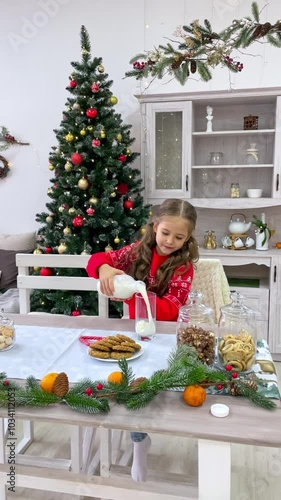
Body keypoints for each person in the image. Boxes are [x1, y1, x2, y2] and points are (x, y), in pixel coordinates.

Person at [86, 198, 199, 482]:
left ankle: (138, 445)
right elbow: (96, 259)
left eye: (179, 236)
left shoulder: (184, 267)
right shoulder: (138, 252)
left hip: (162, 337)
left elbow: (172, 308)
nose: (170, 241)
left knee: (142, 388)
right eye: (165, 233)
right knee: (124, 382)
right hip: (131, 332)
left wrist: (136, 295)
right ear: (154, 226)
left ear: (188, 238)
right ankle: (137, 439)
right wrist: (106, 270)